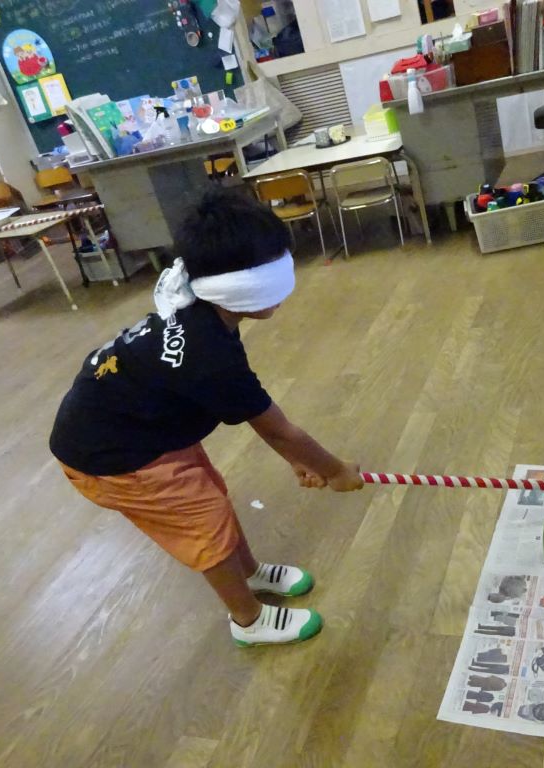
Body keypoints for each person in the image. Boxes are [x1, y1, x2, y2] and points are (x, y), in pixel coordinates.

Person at [49, 188, 363, 648]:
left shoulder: (199, 310)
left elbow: (269, 428)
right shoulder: (207, 353)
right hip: (113, 456)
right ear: (245, 286)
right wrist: (333, 471)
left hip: (145, 429)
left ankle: (251, 574)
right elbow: (277, 429)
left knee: (212, 495)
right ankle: (249, 620)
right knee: (205, 526)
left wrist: (302, 460)